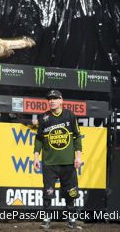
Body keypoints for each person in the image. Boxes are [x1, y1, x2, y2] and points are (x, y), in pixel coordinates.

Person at [33, 89, 82, 229]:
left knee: (71, 191)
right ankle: (47, 218)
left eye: (55, 98)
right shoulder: (43, 118)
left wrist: (78, 157)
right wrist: (36, 157)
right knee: (48, 192)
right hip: (49, 163)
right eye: (50, 99)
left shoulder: (70, 116)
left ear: (61, 100)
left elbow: (77, 136)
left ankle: (71, 218)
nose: (52, 101)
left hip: (68, 162)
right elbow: (39, 139)